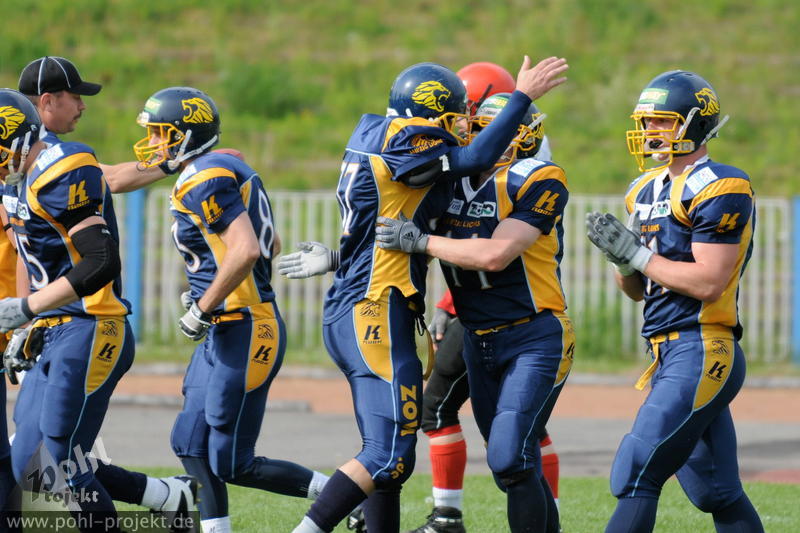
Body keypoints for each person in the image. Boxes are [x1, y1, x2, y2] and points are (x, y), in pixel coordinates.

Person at [279, 56, 568, 533]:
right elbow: (459, 174)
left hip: (482, 319)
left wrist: (345, 257)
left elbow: (437, 236)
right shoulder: (423, 153)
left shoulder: (525, 175)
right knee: (390, 454)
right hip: (385, 308)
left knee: (425, 459)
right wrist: (524, 96)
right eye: (458, 119)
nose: (462, 130)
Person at [132, 86, 331, 533]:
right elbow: (270, 243)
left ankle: (344, 495)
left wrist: (203, 305)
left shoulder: (205, 176)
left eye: (162, 133)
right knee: (189, 442)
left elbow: (246, 249)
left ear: (186, 134)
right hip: (226, 328)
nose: (154, 142)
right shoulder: (220, 167)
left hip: (246, 326)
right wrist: (207, 291)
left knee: (232, 461)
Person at [375, 92, 573, 533]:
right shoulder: (449, 182)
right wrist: (335, 259)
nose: (493, 140)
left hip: (533, 334)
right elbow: (387, 238)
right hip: (478, 338)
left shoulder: (538, 177)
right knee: (511, 467)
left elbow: (495, 255)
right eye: (482, 129)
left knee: (509, 456)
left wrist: (421, 241)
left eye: (502, 131)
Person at [0, 88, 197, 532]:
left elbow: (101, 260)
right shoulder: (17, 180)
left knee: (61, 463)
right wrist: (27, 322)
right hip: (53, 328)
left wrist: (26, 307)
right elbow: (28, 257)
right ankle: (170, 497)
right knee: (29, 464)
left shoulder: (60, 169)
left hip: (92, 325)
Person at [585, 70, 763, 533]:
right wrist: (623, 262)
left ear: (695, 124)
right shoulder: (642, 190)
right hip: (666, 353)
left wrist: (638, 255)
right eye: (647, 121)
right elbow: (637, 290)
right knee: (716, 492)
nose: (650, 130)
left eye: (662, 120)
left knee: (635, 469)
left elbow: (708, 282)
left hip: (703, 347)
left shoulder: (721, 184)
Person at [17, 55, 172, 194]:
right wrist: (171, 162)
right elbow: (111, 179)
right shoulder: (42, 146)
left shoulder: (14, 139)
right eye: (76, 97)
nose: (82, 105)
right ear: (48, 101)